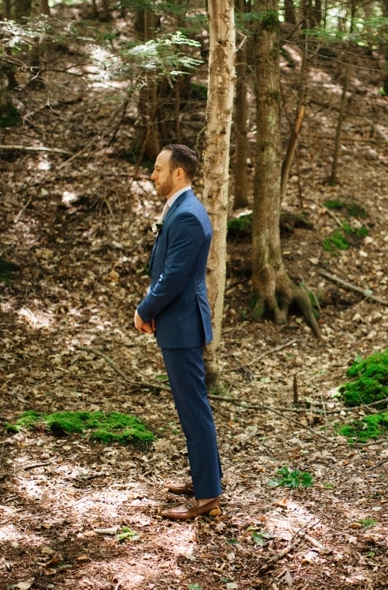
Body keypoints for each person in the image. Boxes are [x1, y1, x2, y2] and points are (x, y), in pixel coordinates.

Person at [134, 143, 223, 520]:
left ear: (178, 174)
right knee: (191, 408)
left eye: (158, 169)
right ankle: (205, 479)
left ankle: (207, 497)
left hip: (182, 324)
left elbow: (172, 277)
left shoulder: (187, 215)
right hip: (179, 319)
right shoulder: (183, 209)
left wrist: (144, 309)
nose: (153, 175)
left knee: (194, 409)